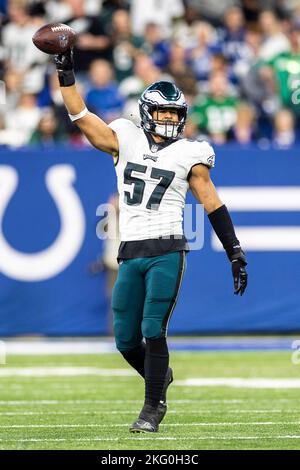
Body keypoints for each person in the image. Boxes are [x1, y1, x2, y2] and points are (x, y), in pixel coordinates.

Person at [52, 47, 248, 433]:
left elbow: (211, 203)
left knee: (153, 328)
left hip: (167, 249)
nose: (169, 120)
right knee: (125, 339)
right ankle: (159, 377)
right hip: (130, 249)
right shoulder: (123, 135)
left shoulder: (191, 152)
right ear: (146, 112)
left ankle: (153, 407)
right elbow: (80, 115)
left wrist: (234, 251)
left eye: (175, 114)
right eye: (162, 113)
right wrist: (66, 71)